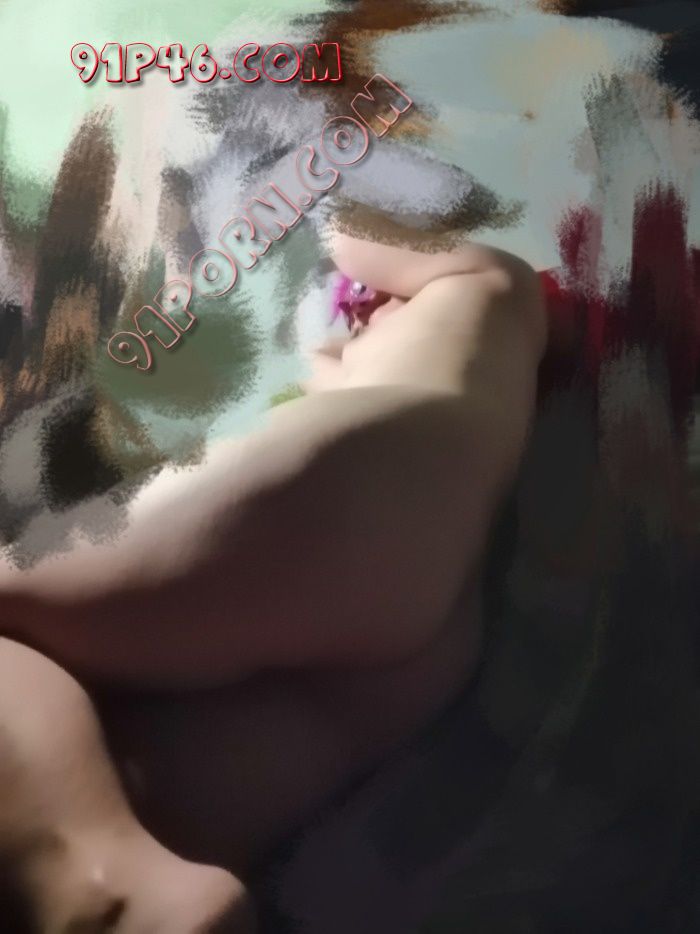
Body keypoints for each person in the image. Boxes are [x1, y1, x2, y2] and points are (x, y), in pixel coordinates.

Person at [0, 229, 546, 932]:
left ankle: (105, 894)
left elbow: (351, 238)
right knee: (161, 753)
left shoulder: (472, 281)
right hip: (398, 598)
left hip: (346, 540)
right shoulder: (486, 312)